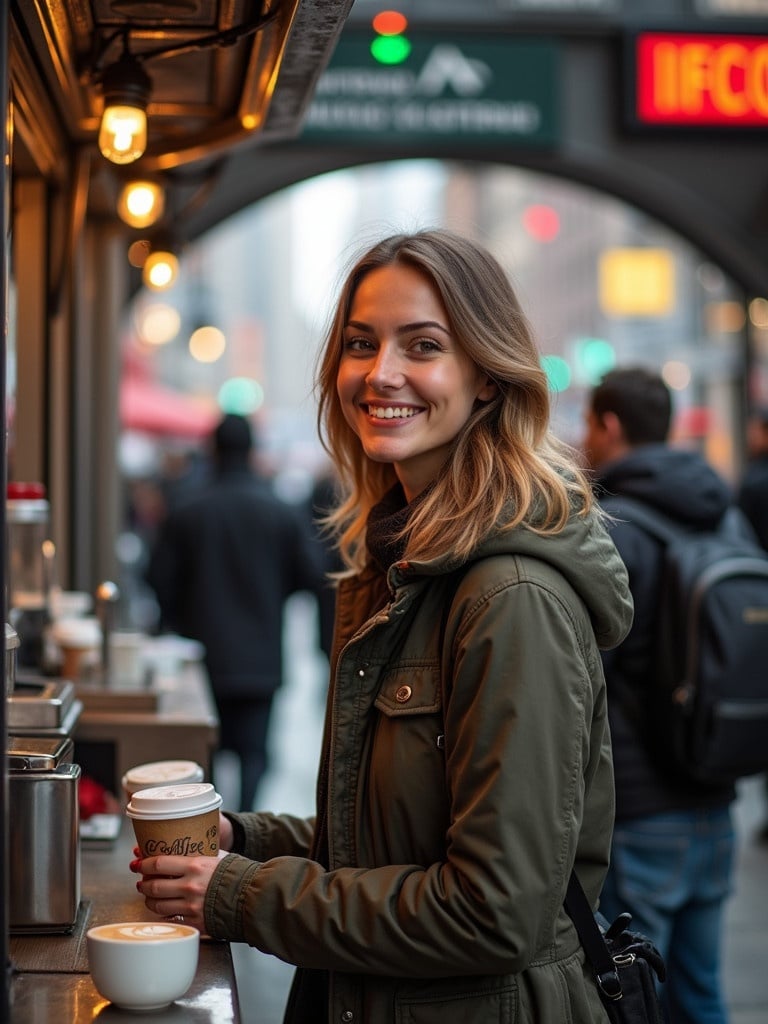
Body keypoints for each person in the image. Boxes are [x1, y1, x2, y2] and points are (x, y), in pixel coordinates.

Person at [133, 229, 633, 1023]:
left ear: (488, 381)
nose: (381, 373)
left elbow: (494, 912)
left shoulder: (509, 597)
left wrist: (238, 893)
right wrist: (246, 838)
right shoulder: (399, 563)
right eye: (361, 343)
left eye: (423, 345)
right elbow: (391, 837)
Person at [582, 366, 737, 1024]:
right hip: (718, 788)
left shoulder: (617, 529)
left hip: (643, 808)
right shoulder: (724, 515)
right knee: (701, 989)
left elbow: (592, 673)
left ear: (610, 426)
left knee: (639, 992)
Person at [146, 413, 325, 812]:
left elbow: (158, 577)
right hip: (260, 655)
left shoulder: (188, 509)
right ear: (252, 450)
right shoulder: (278, 510)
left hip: (201, 655)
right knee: (254, 754)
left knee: (203, 752)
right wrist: (270, 592)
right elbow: (312, 575)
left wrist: (178, 618)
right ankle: (241, 829)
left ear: (212, 449)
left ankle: (205, 827)